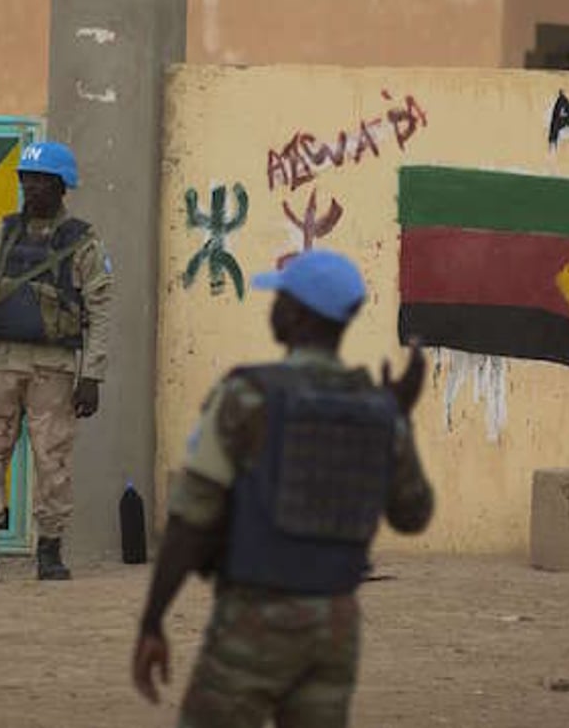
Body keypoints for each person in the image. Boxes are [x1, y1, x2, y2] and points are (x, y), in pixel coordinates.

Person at [131, 249, 434, 727]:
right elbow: (413, 515)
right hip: (335, 626)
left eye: (280, 299)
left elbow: (192, 519)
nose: (272, 307)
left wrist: (153, 620)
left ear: (295, 314)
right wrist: (400, 415)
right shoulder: (378, 409)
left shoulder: (248, 396)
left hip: (255, 619)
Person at [0, 141, 113, 582]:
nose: (30, 188)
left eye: (40, 181)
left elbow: (101, 310)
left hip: (54, 368)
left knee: (53, 460)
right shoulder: (4, 232)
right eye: (25, 180)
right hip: (0, 361)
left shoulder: (83, 241)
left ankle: (49, 550)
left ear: (60, 186)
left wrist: (93, 375)